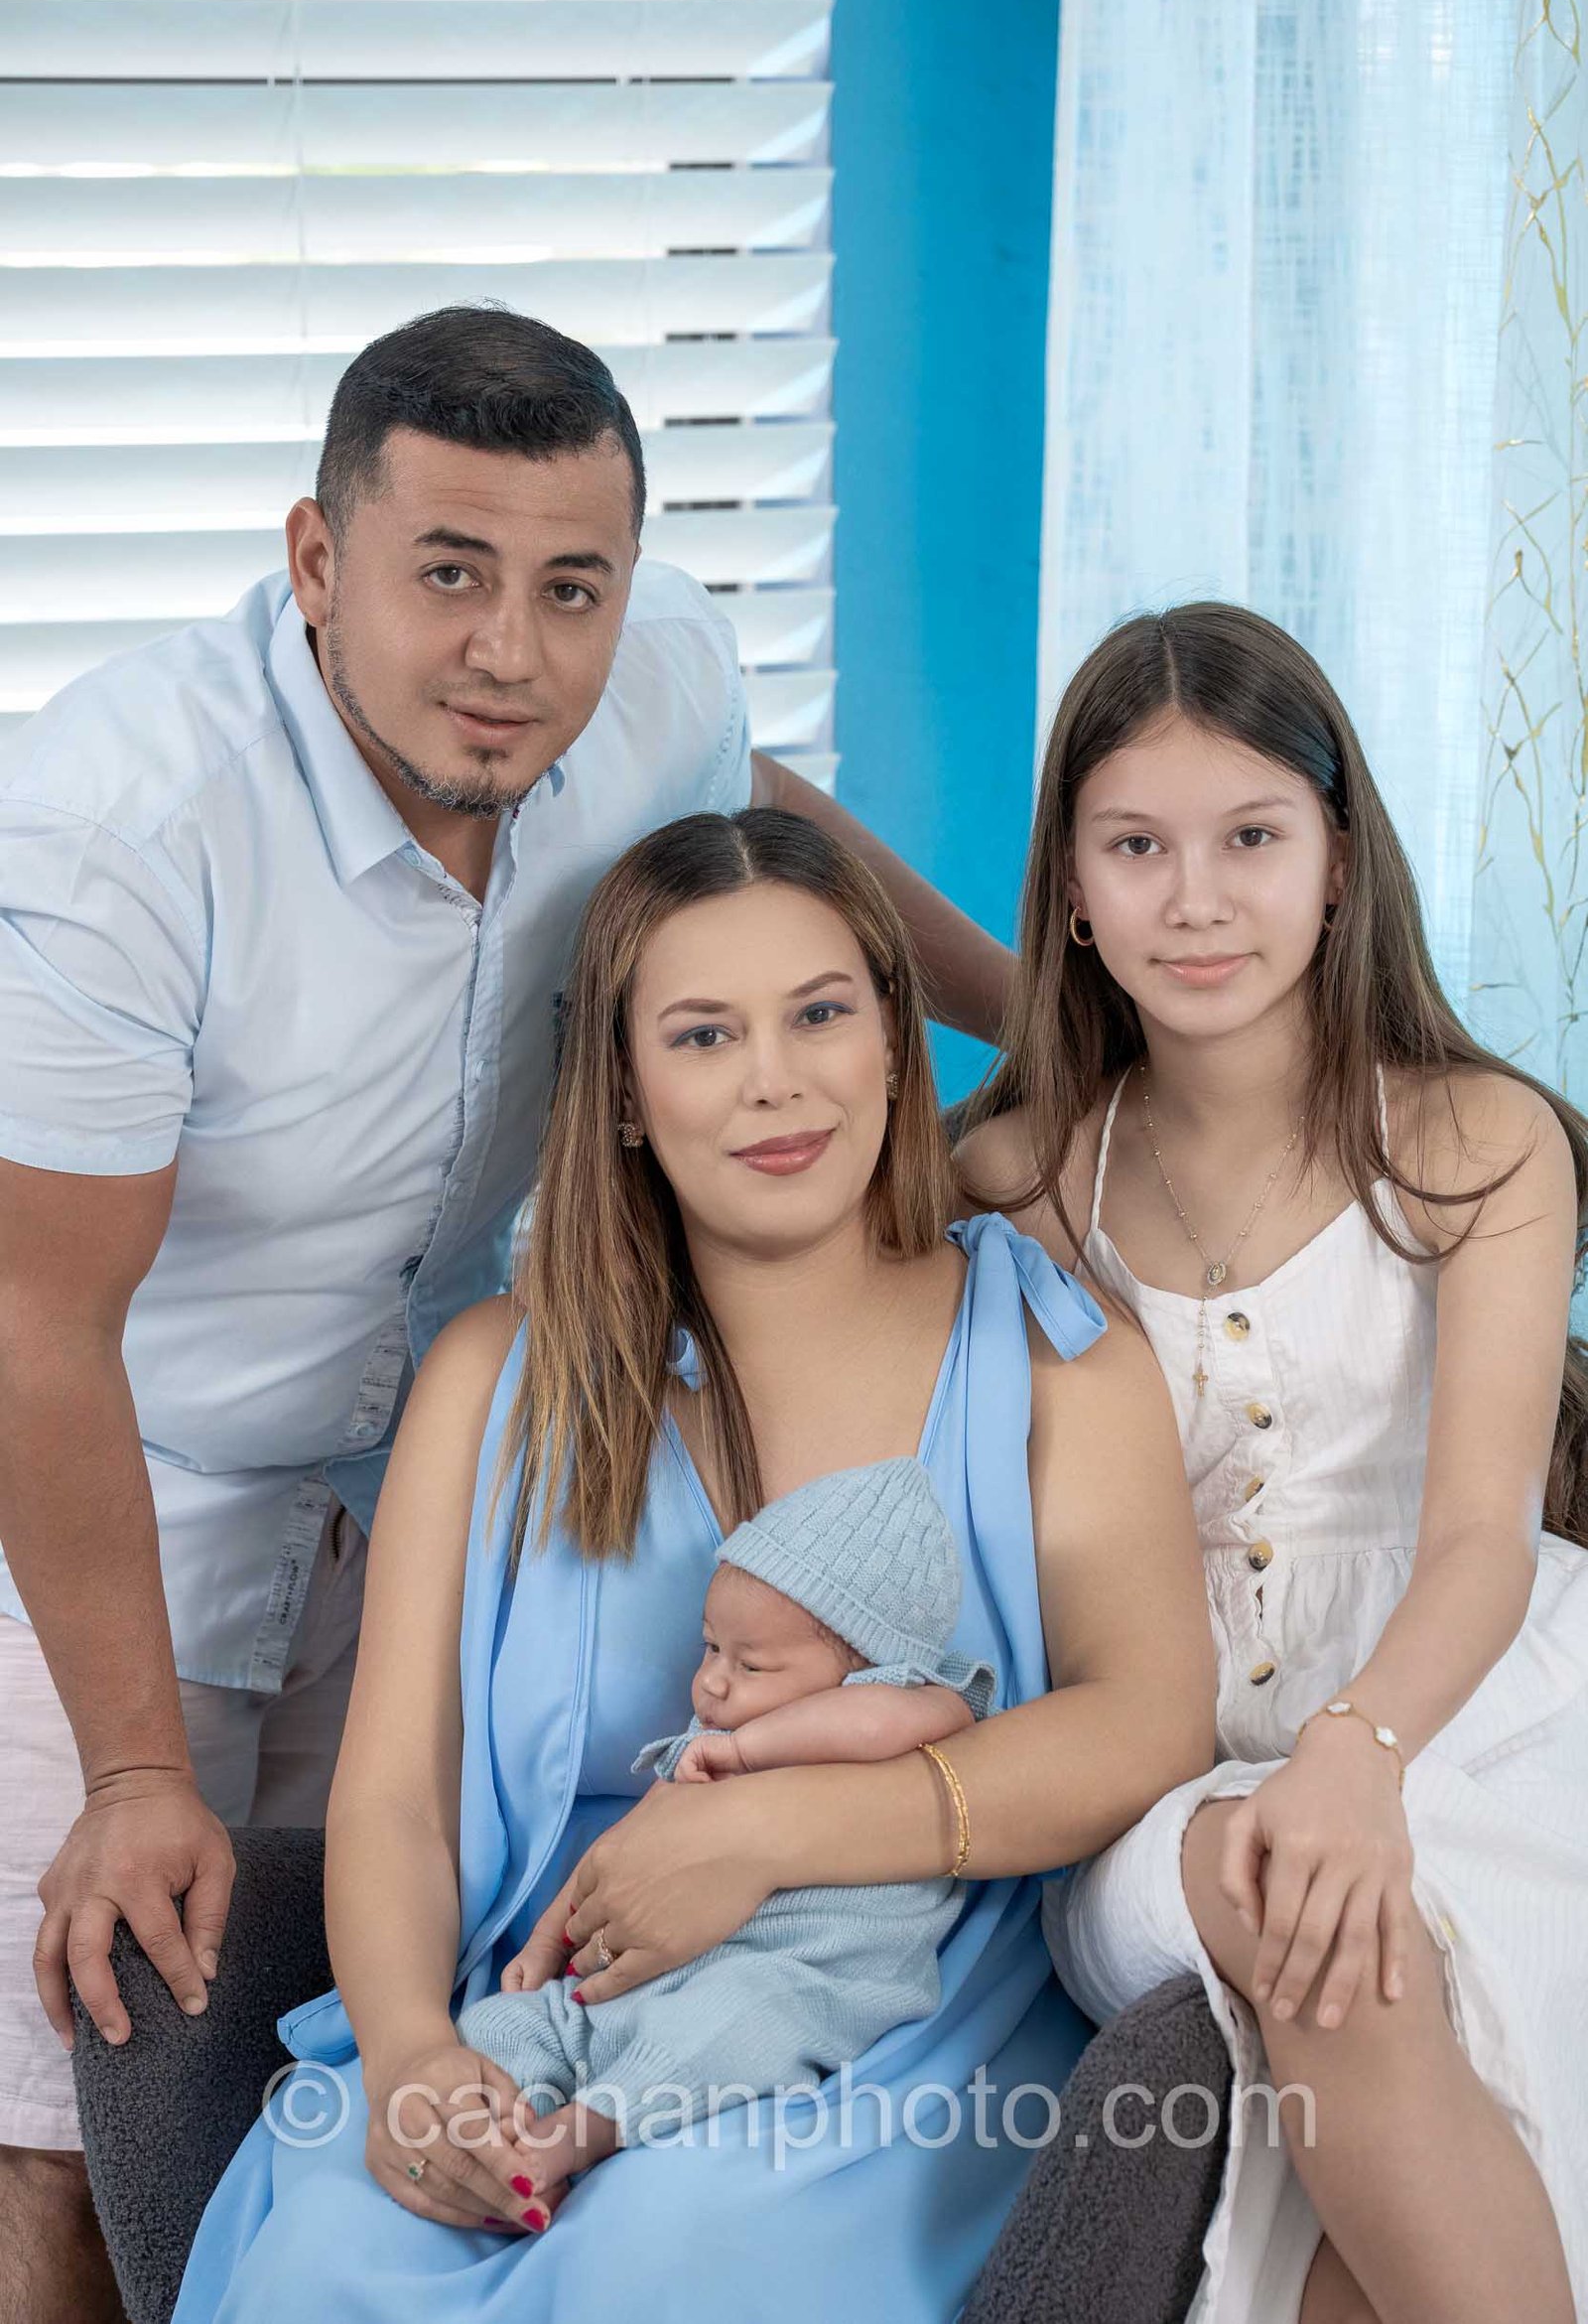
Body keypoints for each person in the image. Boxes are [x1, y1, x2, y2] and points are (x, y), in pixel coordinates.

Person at [0, 305, 1013, 2324]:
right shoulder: (119, 824)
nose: (513, 654)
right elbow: (39, 1326)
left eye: (571, 589)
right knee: (60, 2114)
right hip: (126, 1483)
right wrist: (128, 1771)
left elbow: (755, 816)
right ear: (317, 559)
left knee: (344, 2011)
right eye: (447, 574)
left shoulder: (656, 680)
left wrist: (1042, 1029)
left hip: (414, 1484)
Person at [172, 806, 1214, 2320]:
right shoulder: (493, 1377)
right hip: (537, 2013)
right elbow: (396, 1795)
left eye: (822, 1014)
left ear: (893, 1037)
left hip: (888, 2013)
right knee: (333, 2266)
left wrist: (769, 1831)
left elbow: (1148, 1723)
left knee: (664, 2257)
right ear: (625, 1091)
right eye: (705, 1035)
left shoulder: (1053, 1352)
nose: (775, 1080)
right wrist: (410, 2060)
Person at [958, 604, 1588, 2324]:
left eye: (1251, 838)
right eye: (1136, 847)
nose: (1196, 900)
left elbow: (1482, 1537)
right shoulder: (1016, 1183)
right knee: (1288, 1892)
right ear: (1070, 891)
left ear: (1337, 861)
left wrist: (1358, 1758)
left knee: (1370, 2107)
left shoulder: (1473, 1143)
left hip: (1471, 1716)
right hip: (1157, 1779)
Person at [458, 1454, 995, 2142]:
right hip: (648, 1982)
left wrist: (746, 1751)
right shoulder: (706, 1742)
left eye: (751, 1664)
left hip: (793, 1979)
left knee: (734, 2022)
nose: (713, 1681)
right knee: (496, 2025)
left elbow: (880, 1721)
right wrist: (544, 1943)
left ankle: (576, 2139)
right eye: (711, 1648)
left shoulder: (907, 1710)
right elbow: (620, 1853)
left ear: (872, 1669)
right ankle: (514, 2131)